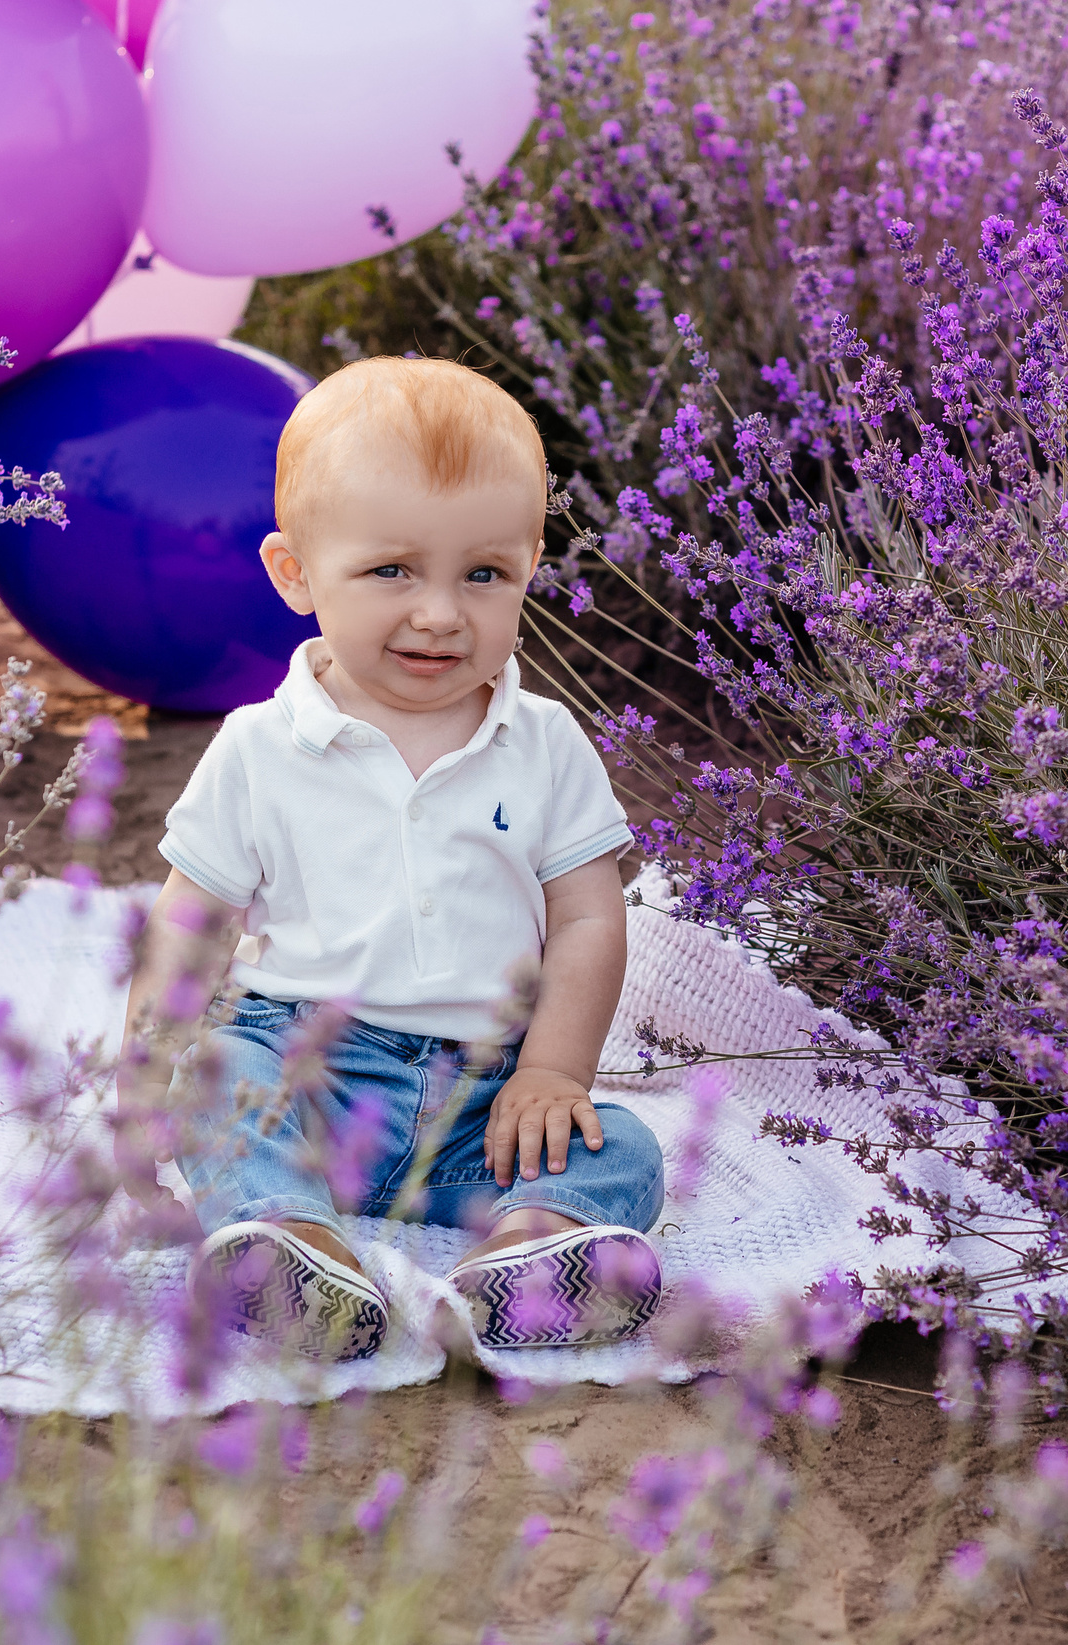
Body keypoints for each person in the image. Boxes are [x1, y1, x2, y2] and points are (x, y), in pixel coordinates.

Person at [115, 355, 664, 1364]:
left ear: (530, 565)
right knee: (215, 1076)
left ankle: (532, 1248)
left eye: (483, 574)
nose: (441, 613)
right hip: (308, 1075)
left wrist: (551, 1070)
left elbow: (588, 916)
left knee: (622, 1146)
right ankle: (291, 1239)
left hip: (481, 1103)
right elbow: (191, 921)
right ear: (295, 573)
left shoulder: (544, 742)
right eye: (392, 571)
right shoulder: (259, 746)